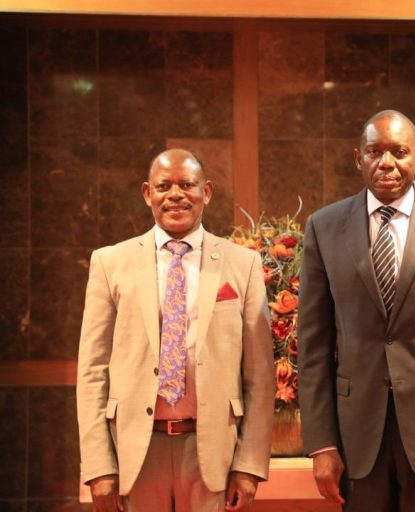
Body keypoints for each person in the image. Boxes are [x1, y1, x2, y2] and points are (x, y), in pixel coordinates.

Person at [298, 110, 415, 512]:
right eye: (375, 152)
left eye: (399, 152)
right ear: (359, 159)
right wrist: (322, 444)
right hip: (355, 438)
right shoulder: (324, 227)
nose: (386, 162)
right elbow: (313, 347)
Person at [77, 149, 275, 512]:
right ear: (147, 193)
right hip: (134, 453)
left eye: (187, 185)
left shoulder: (242, 264)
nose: (175, 195)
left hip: (211, 452)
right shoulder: (110, 263)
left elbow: (260, 375)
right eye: (163, 186)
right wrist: (99, 466)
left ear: (207, 192)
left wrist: (249, 465)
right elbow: (92, 372)